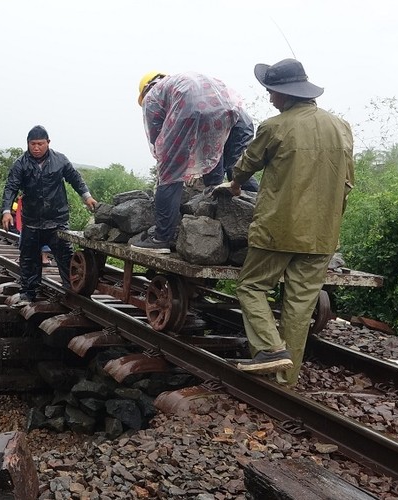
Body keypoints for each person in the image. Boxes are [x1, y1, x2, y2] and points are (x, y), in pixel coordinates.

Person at [214, 58, 355, 386]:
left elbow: (246, 164)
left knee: (251, 286)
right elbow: (347, 182)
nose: (269, 98)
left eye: (271, 92)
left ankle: (269, 349)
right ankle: (284, 383)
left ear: (284, 93)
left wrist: (234, 184)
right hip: (322, 235)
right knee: (299, 305)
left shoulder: (274, 126)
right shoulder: (341, 126)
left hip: (278, 230)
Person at [131, 71, 251, 254]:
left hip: (189, 108)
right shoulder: (180, 80)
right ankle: (219, 217)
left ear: (145, 90)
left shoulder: (153, 95)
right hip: (229, 109)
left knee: (170, 175)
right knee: (215, 154)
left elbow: (157, 139)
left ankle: (161, 239)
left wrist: (168, 166)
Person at [1, 125, 97, 307]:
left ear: (48, 143)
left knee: (65, 257)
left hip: (57, 220)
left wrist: (87, 196)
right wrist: (6, 211)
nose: (36, 148)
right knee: (28, 258)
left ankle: (73, 293)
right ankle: (28, 292)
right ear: (28, 144)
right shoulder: (21, 163)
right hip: (32, 220)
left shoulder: (60, 160)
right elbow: (11, 187)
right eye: (33, 144)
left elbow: (75, 178)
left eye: (40, 144)